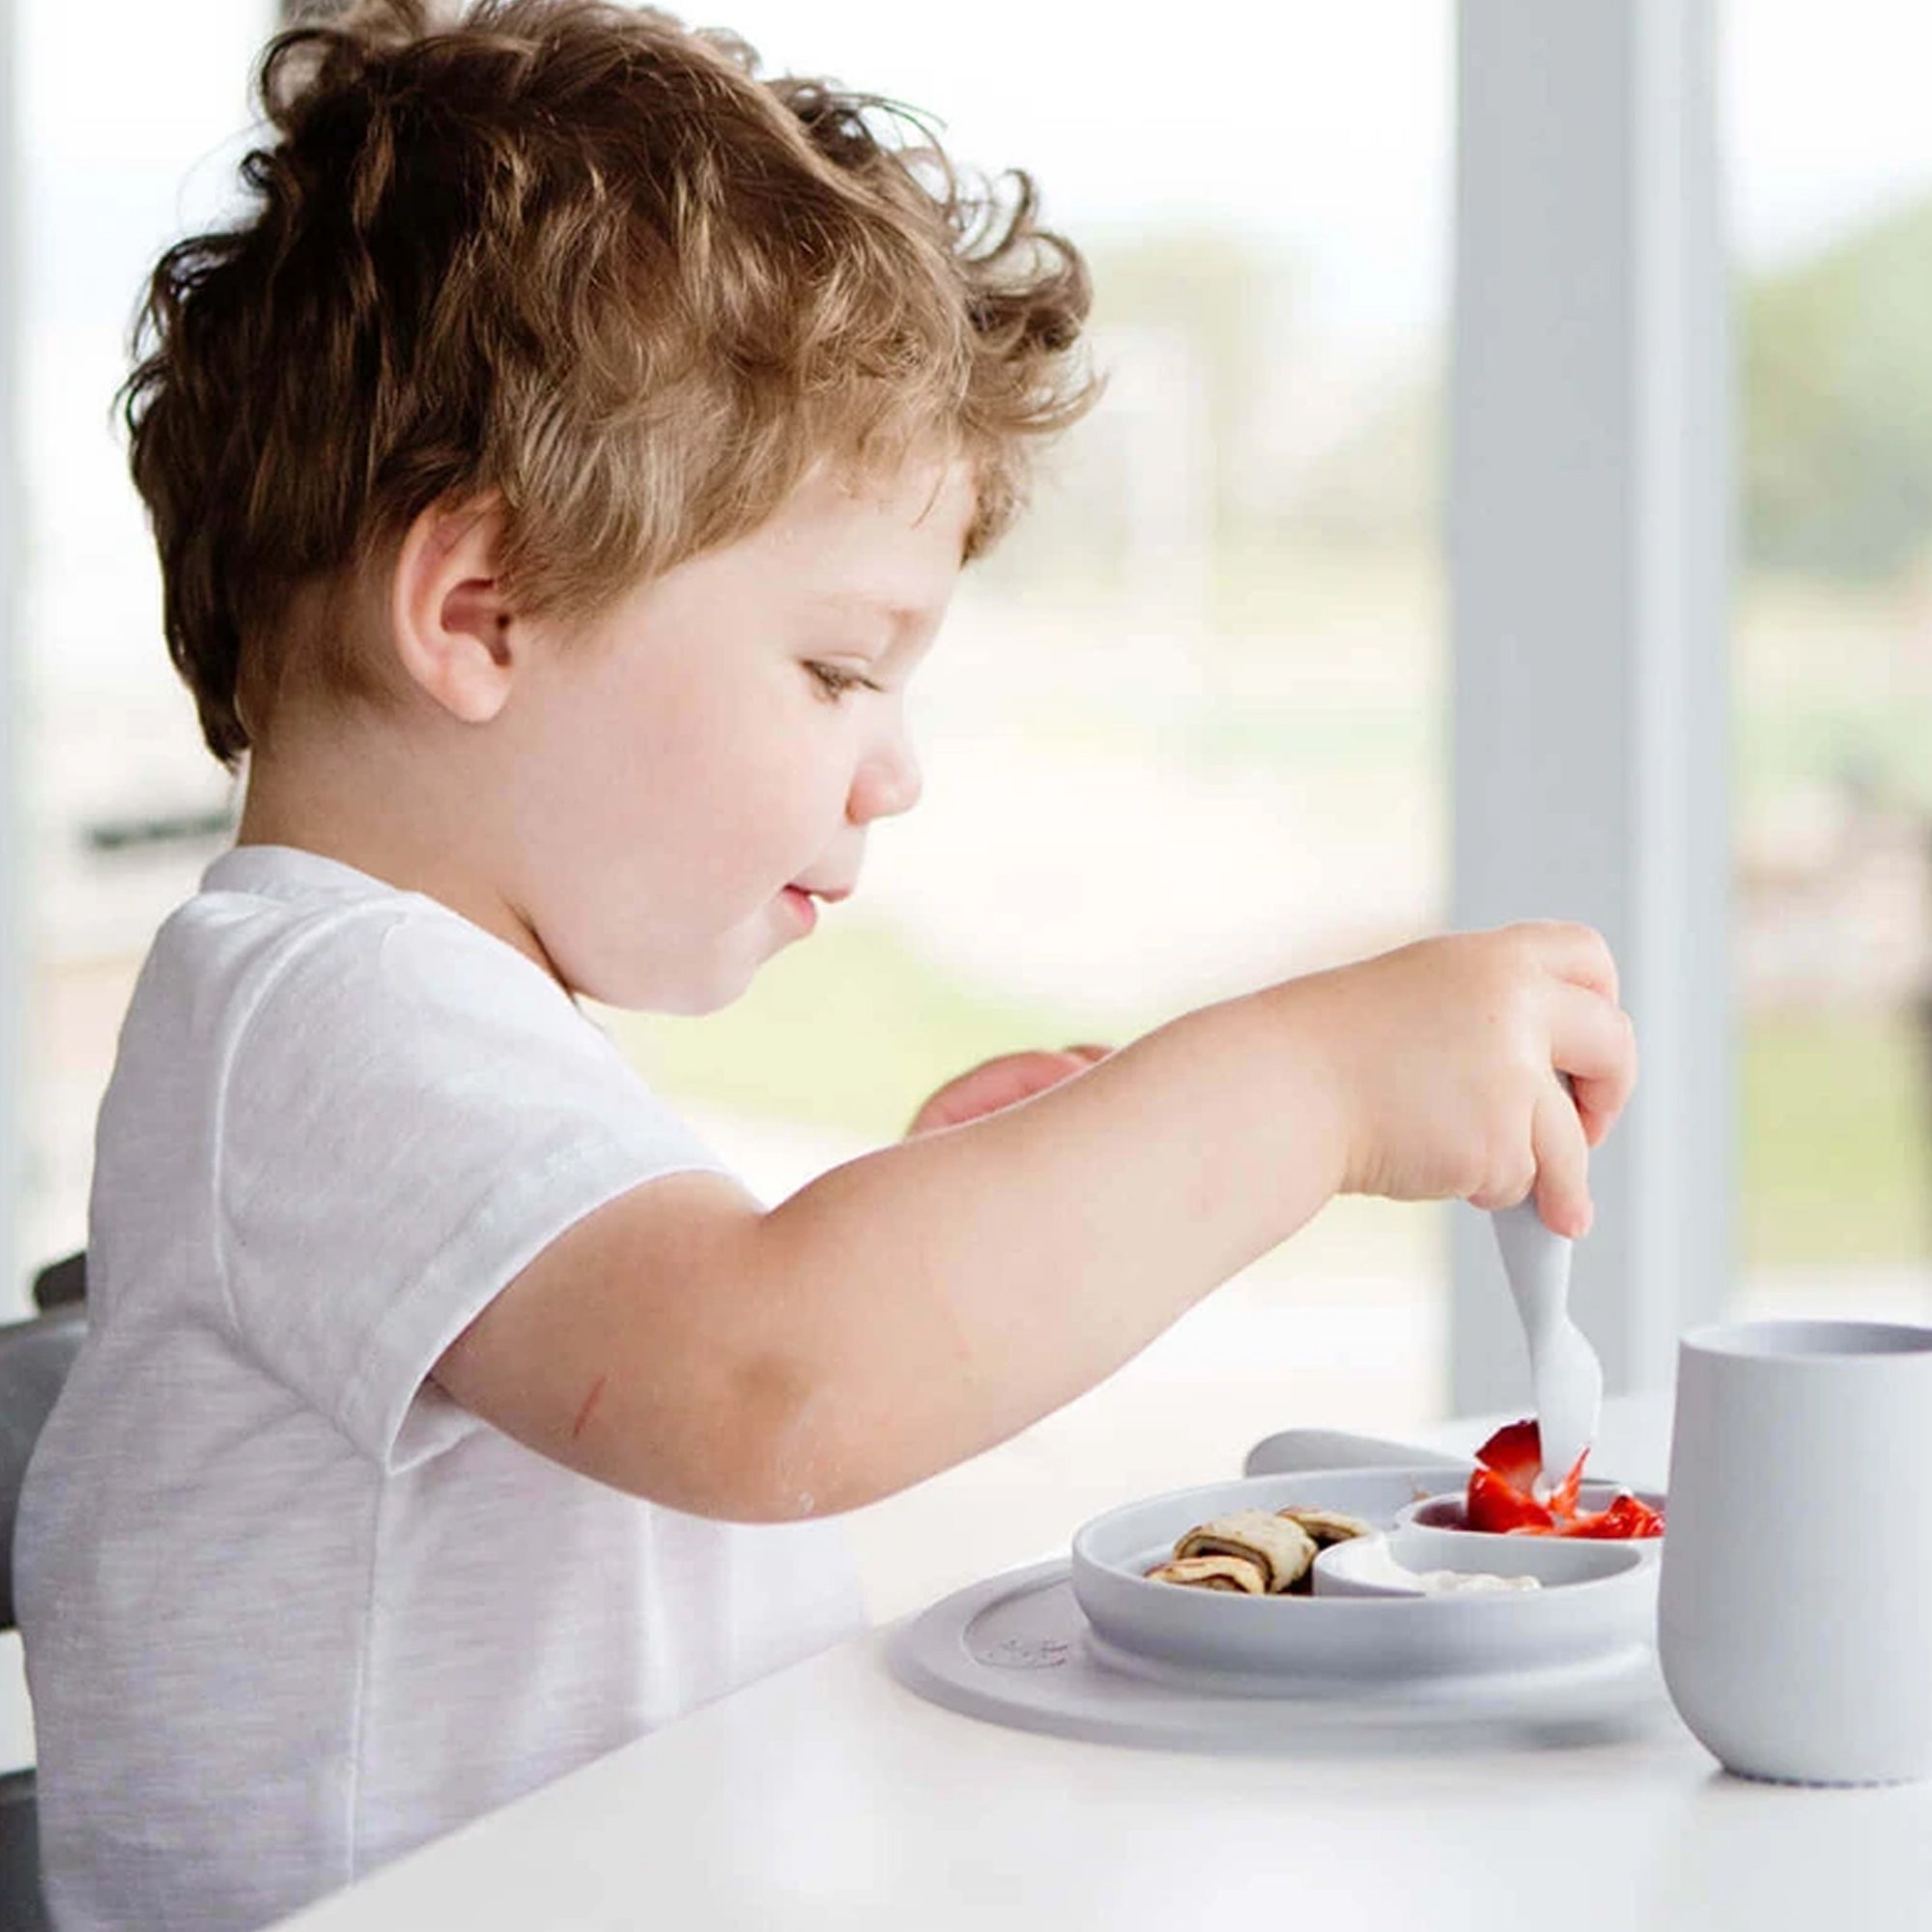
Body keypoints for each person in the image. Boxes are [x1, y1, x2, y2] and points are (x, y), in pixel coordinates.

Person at [13, 3, 1638, 1928]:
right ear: (484, 607)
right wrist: (1314, 1088)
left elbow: (732, 1337)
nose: (896, 762)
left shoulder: (395, 1016)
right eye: (834, 668)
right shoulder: (323, 1010)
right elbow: (776, 1378)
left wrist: (943, 1215)